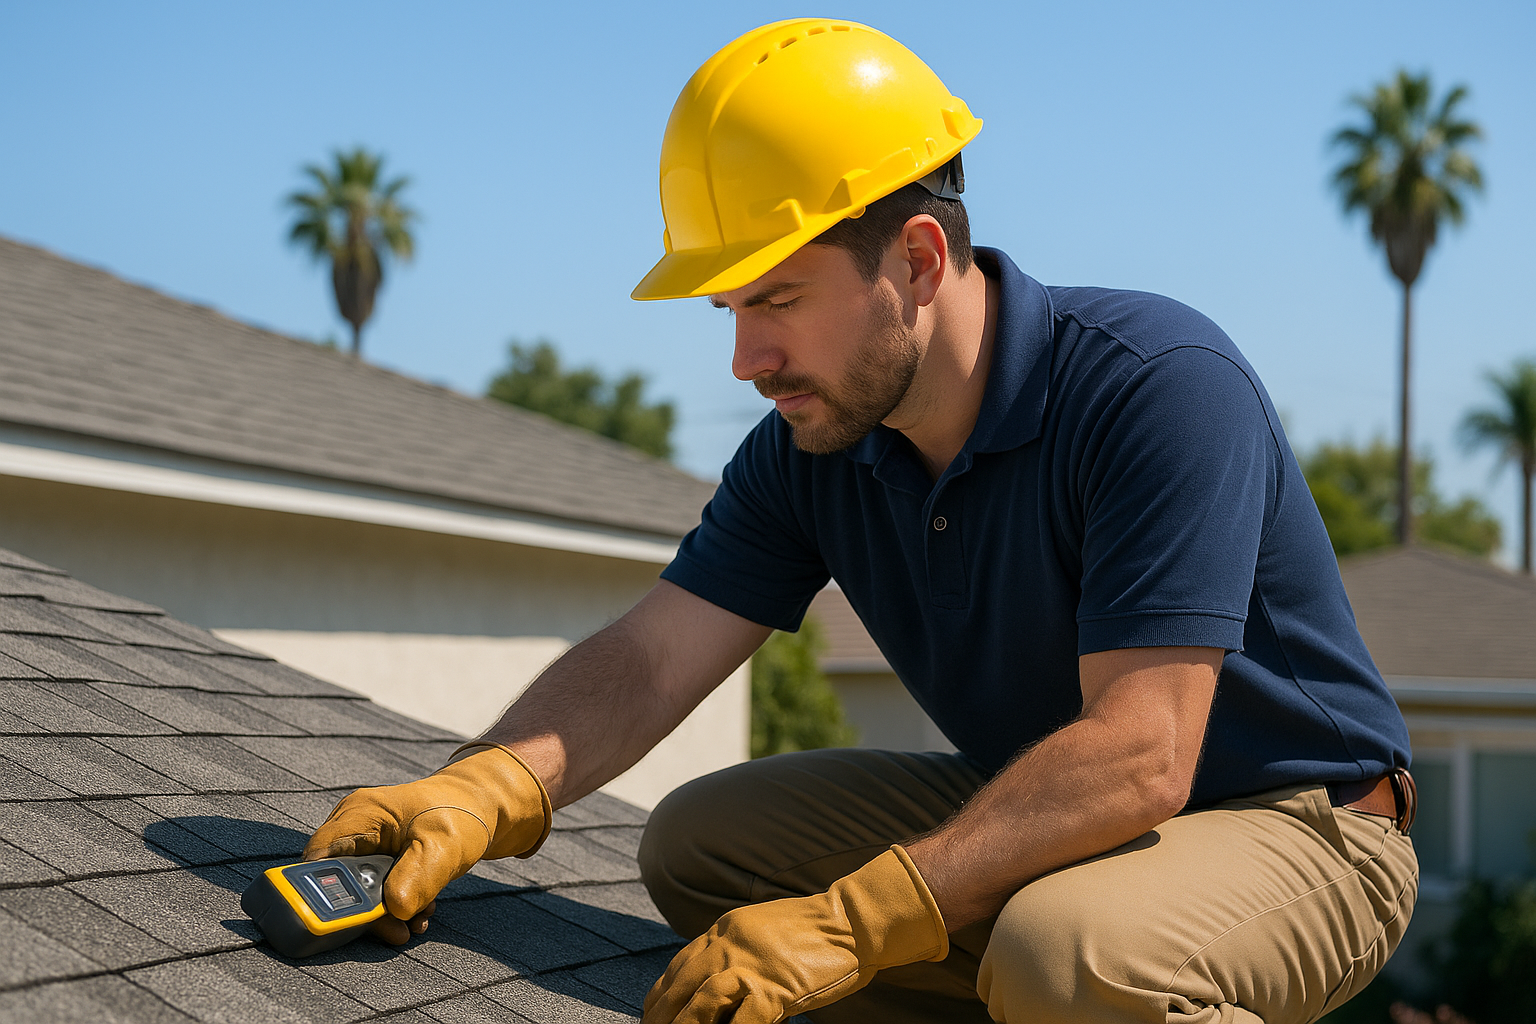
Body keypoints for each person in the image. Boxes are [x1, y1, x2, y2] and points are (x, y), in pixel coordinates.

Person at [304, 19, 1418, 1024]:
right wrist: (487, 784)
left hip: (1307, 825)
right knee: (703, 852)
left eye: (778, 300)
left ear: (919, 262)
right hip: (1055, 810)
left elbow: (1141, 754)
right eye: (732, 310)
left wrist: (852, 924)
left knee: (1064, 957)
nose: (746, 361)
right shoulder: (816, 443)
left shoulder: (1156, 385)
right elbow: (650, 659)